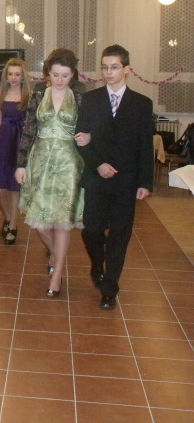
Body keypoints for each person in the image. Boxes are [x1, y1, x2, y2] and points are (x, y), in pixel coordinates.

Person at [75, 44, 153, 310]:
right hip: (97, 176)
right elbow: (80, 139)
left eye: (114, 67)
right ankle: (98, 263)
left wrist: (145, 182)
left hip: (126, 180)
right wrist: (98, 164)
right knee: (92, 229)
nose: (108, 72)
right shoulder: (91, 100)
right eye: (105, 67)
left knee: (120, 235)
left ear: (126, 69)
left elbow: (145, 146)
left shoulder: (141, 104)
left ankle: (110, 288)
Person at [15, 49, 86, 298]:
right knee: (41, 223)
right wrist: (21, 164)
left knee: (62, 222)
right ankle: (56, 254)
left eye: (65, 75)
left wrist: (88, 138)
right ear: (48, 73)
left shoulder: (80, 99)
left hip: (69, 164)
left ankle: (57, 275)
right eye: (55, 74)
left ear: (72, 74)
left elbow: (89, 129)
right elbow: (28, 131)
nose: (59, 80)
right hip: (40, 162)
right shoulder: (37, 96)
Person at [0, 58, 31, 245]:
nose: (13, 77)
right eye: (10, 74)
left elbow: (31, 124)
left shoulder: (29, 95)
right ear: (6, 75)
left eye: (17, 74)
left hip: (19, 141)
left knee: (14, 186)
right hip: (3, 140)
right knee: (0, 187)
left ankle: (13, 225)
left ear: (23, 76)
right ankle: (8, 217)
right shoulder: (1, 93)